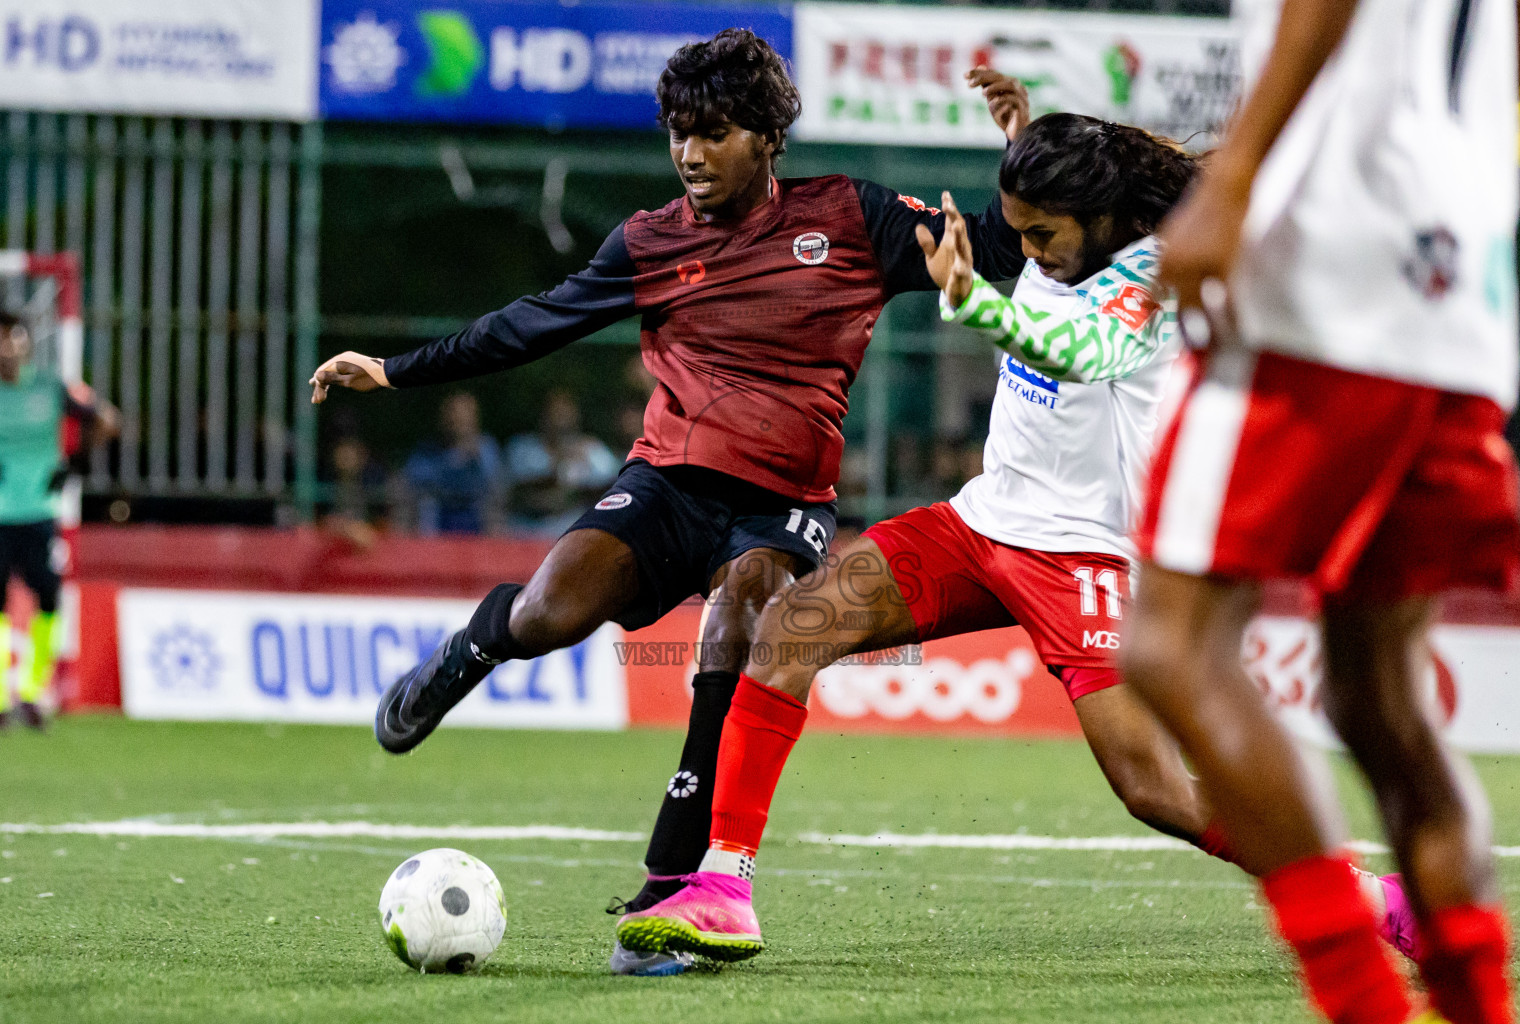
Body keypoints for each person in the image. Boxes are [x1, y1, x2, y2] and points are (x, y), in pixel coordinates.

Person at [308, 30, 1028, 976]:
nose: (690, 153)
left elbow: (1004, 245)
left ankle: (666, 896)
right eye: (678, 134)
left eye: (714, 132)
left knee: (735, 629)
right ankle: (473, 648)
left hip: (781, 504)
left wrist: (1020, 152)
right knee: (548, 610)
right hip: (667, 481)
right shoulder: (649, 241)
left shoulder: (850, 217)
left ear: (769, 135)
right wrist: (398, 371)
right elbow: (532, 322)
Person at [614, 113, 1408, 966]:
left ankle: (1361, 894)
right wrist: (1022, 131)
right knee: (791, 626)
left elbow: (1078, 347)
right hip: (981, 521)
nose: (1026, 249)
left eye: (1043, 233)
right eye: (1017, 229)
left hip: (1085, 558)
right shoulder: (1066, 229)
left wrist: (972, 299)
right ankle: (725, 887)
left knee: (1151, 789)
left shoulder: (1149, 275)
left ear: (1101, 218)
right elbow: (1047, 245)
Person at [1117, 0, 1520, 1022]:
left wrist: (1234, 177)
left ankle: (1364, 1003)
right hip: (1461, 274)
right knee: (1378, 698)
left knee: (1173, 647)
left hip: (1327, 258)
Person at [0, 312, 116, 728]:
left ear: (25, 343)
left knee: (46, 596)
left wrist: (77, 462)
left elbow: (106, 418)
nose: (5, 348)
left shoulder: (50, 387)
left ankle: (32, 691)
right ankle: (0, 694)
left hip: (38, 512)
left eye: (11, 339)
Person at [505, 389, 620, 533]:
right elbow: (518, 488)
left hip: (573, 529)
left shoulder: (592, 449)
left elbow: (615, 486)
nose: (561, 422)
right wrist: (557, 464)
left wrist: (581, 486)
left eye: (566, 416)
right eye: (556, 415)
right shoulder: (524, 448)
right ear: (544, 418)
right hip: (526, 527)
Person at [401, 392, 504, 536]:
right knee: (425, 506)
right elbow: (414, 482)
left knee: (493, 511)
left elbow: (494, 484)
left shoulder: (486, 448)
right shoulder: (427, 451)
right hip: (438, 516)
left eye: (463, 417)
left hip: (476, 516)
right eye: (453, 416)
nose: (456, 421)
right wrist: (455, 460)